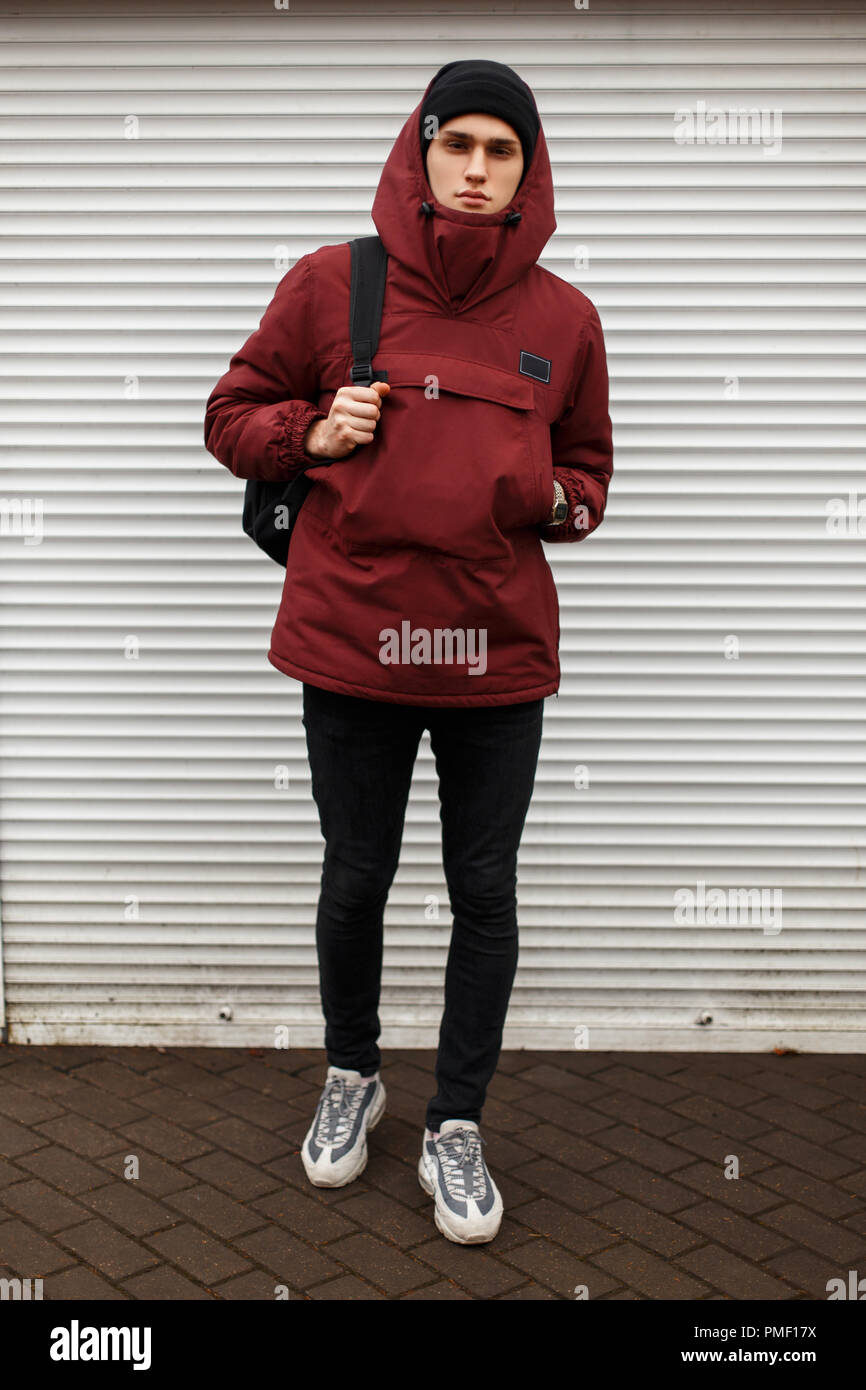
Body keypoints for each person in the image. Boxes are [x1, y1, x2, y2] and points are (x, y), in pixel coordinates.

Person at [204, 59, 613, 1245]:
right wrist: (309, 427)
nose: (478, 169)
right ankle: (351, 1071)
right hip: (353, 647)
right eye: (459, 145)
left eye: (502, 150)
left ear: (526, 171)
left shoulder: (563, 320)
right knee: (355, 875)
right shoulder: (333, 285)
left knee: (483, 890)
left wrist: (547, 496)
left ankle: (456, 1123)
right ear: (420, 150)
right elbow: (227, 415)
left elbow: (590, 482)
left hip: (495, 657)